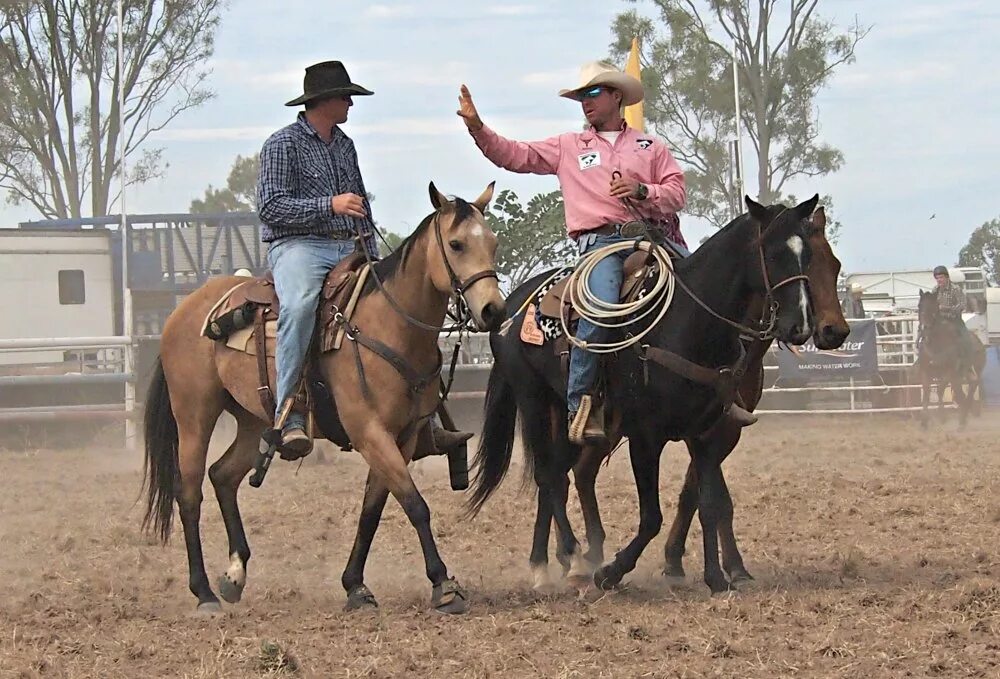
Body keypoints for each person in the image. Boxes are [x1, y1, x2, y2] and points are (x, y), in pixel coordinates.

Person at [457, 61, 757, 447]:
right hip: (601, 246)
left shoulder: (650, 147)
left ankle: (724, 388)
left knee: (714, 292)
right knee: (600, 307)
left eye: (593, 93)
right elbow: (515, 155)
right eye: (582, 96)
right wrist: (477, 129)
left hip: (654, 238)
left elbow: (677, 193)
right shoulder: (568, 146)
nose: (585, 102)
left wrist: (643, 191)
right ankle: (582, 402)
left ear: (616, 96)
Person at [257, 60, 471, 459]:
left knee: (401, 308)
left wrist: (375, 257)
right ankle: (288, 414)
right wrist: (330, 205)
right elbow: (270, 207)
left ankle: (427, 417)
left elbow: (359, 208)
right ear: (323, 101)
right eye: (346, 97)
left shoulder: (344, 145)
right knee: (300, 307)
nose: (351, 105)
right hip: (298, 247)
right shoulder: (281, 144)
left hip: (348, 247)